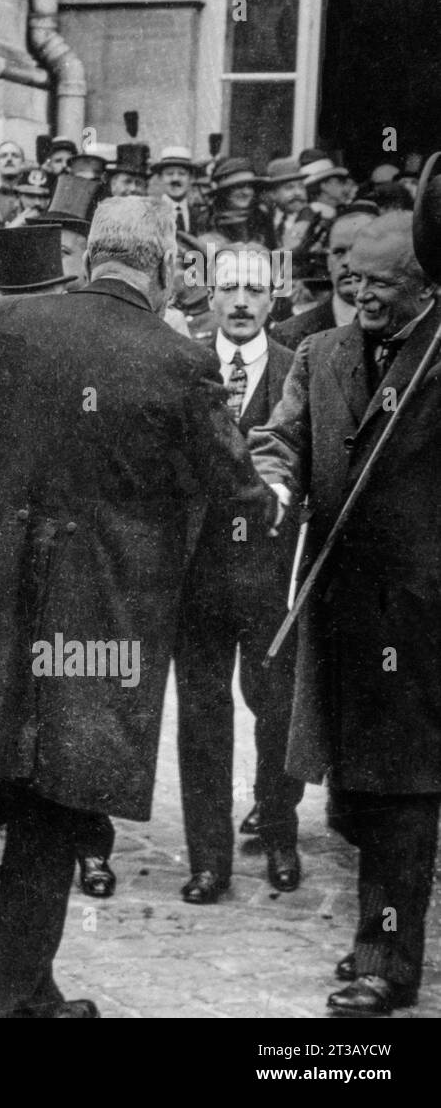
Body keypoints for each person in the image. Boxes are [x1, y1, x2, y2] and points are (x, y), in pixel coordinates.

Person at [0, 196, 276, 1018]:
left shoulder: (7, 322)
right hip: (98, 627)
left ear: (92, 257)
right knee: (53, 803)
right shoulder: (181, 361)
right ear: (164, 270)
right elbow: (237, 493)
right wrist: (267, 494)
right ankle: (22, 996)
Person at [250, 210, 441, 1016]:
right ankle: (386, 927)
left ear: (427, 284)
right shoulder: (321, 355)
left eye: (384, 284)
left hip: (423, 617)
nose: (361, 295)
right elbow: (281, 440)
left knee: (400, 791)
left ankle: (385, 961)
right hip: (340, 611)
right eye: (350, 280)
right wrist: (273, 483)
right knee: (359, 794)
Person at [173, 242, 303, 906]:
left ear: (273, 298)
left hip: (269, 574)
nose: (243, 301)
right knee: (201, 713)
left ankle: (280, 832)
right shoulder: (189, 368)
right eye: (231, 289)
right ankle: (208, 859)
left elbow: (301, 456)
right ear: (212, 297)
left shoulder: (293, 367)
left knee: (275, 706)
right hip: (196, 570)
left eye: (256, 290)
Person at [273, 208, 372, 347]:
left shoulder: (404, 327)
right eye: (338, 252)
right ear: (328, 261)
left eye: (359, 250)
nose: (347, 262)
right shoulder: (289, 335)